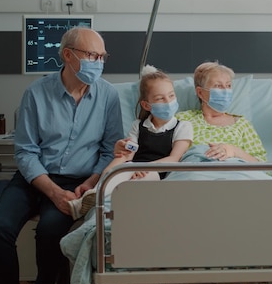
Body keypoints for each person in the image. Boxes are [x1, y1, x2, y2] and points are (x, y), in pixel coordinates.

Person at [0, 27, 124, 284]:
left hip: (78, 182)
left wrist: (88, 184)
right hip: (34, 178)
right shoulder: (36, 93)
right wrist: (51, 191)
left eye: (102, 56)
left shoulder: (108, 96)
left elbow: (110, 151)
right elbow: (24, 151)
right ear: (68, 55)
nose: (98, 62)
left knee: (50, 230)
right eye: (92, 55)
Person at [67, 65, 193, 218]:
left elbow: (174, 159)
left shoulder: (183, 127)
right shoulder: (138, 126)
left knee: (136, 183)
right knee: (114, 177)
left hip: (156, 173)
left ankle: (111, 200)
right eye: (160, 98)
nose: (168, 102)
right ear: (146, 105)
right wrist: (108, 171)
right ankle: (89, 199)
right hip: (132, 168)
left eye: (171, 96)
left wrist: (144, 168)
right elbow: (128, 154)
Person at [176, 61, 267, 162]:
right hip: (196, 174)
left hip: (236, 174)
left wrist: (234, 151)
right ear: (200, 92)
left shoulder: (242, 125)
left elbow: (262, 166)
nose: (225, 91)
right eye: (218, 86)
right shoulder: (184, 119)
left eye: (228, 86)